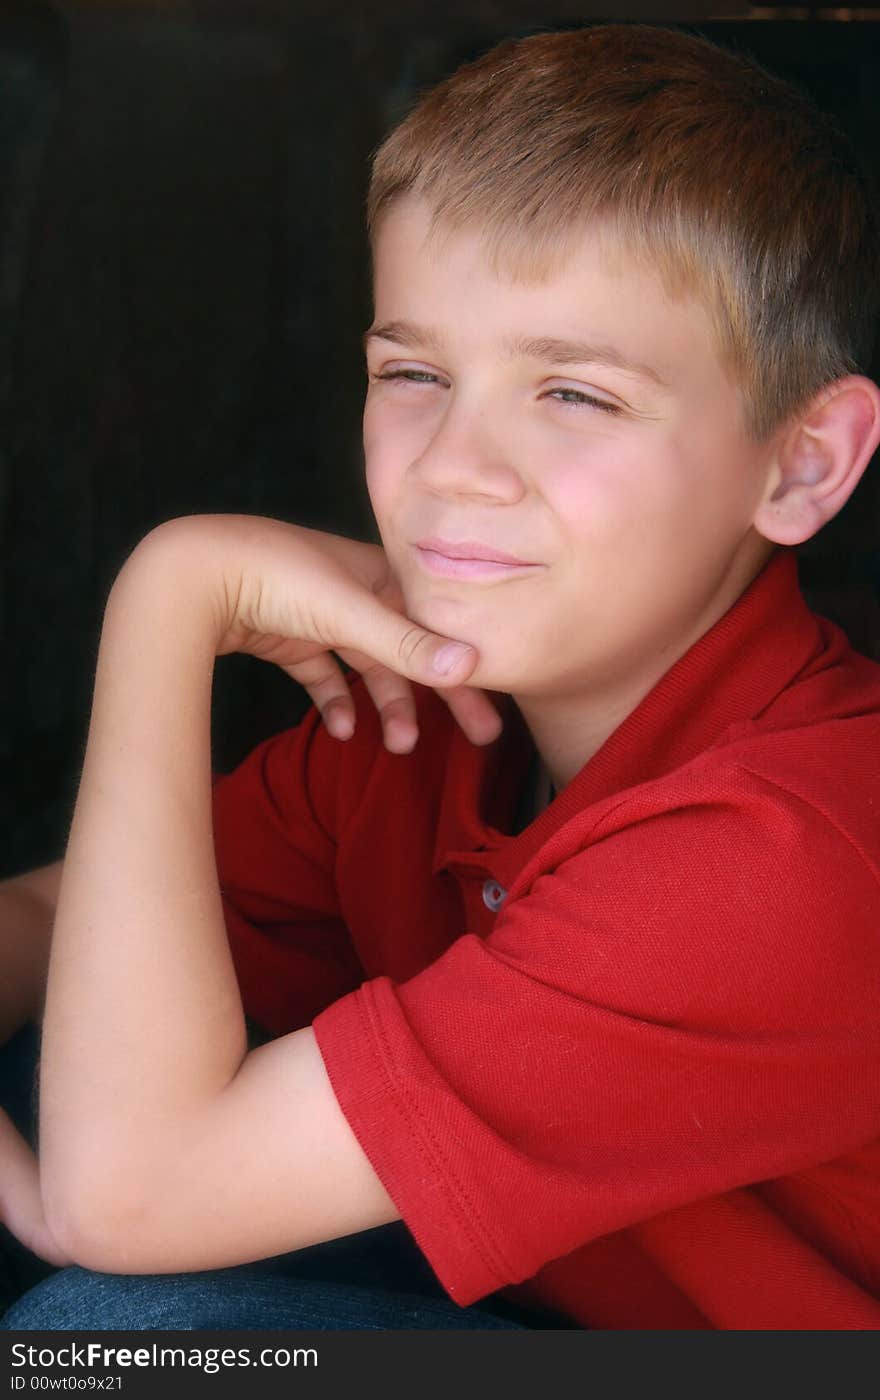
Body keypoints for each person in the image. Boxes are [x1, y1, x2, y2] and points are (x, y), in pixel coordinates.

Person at [1, 21, 880, 1331]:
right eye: (412, 372)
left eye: (576, 394)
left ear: (803, 464)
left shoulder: (791, 853)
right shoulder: (417, 719)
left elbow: (122, 1196)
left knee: (119, 1337)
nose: (454, 464)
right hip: (550, 1300)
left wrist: (168, 596)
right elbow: (56, 926)